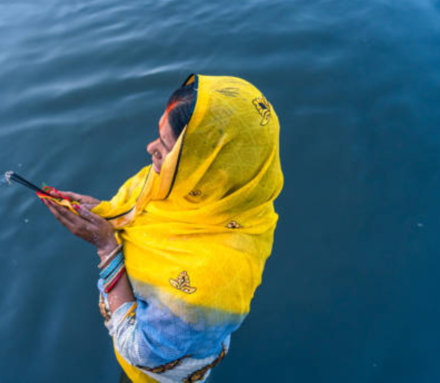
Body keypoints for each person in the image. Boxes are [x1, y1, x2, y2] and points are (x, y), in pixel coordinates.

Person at [42, 74, 283, 382]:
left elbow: (142, 351)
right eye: (158, 136)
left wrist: (106, 248)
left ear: (206, 164)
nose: (150, 148)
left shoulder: (210, 279)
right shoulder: (215, 190)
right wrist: (103, 212)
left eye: (165, 146)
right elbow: (139, 208)